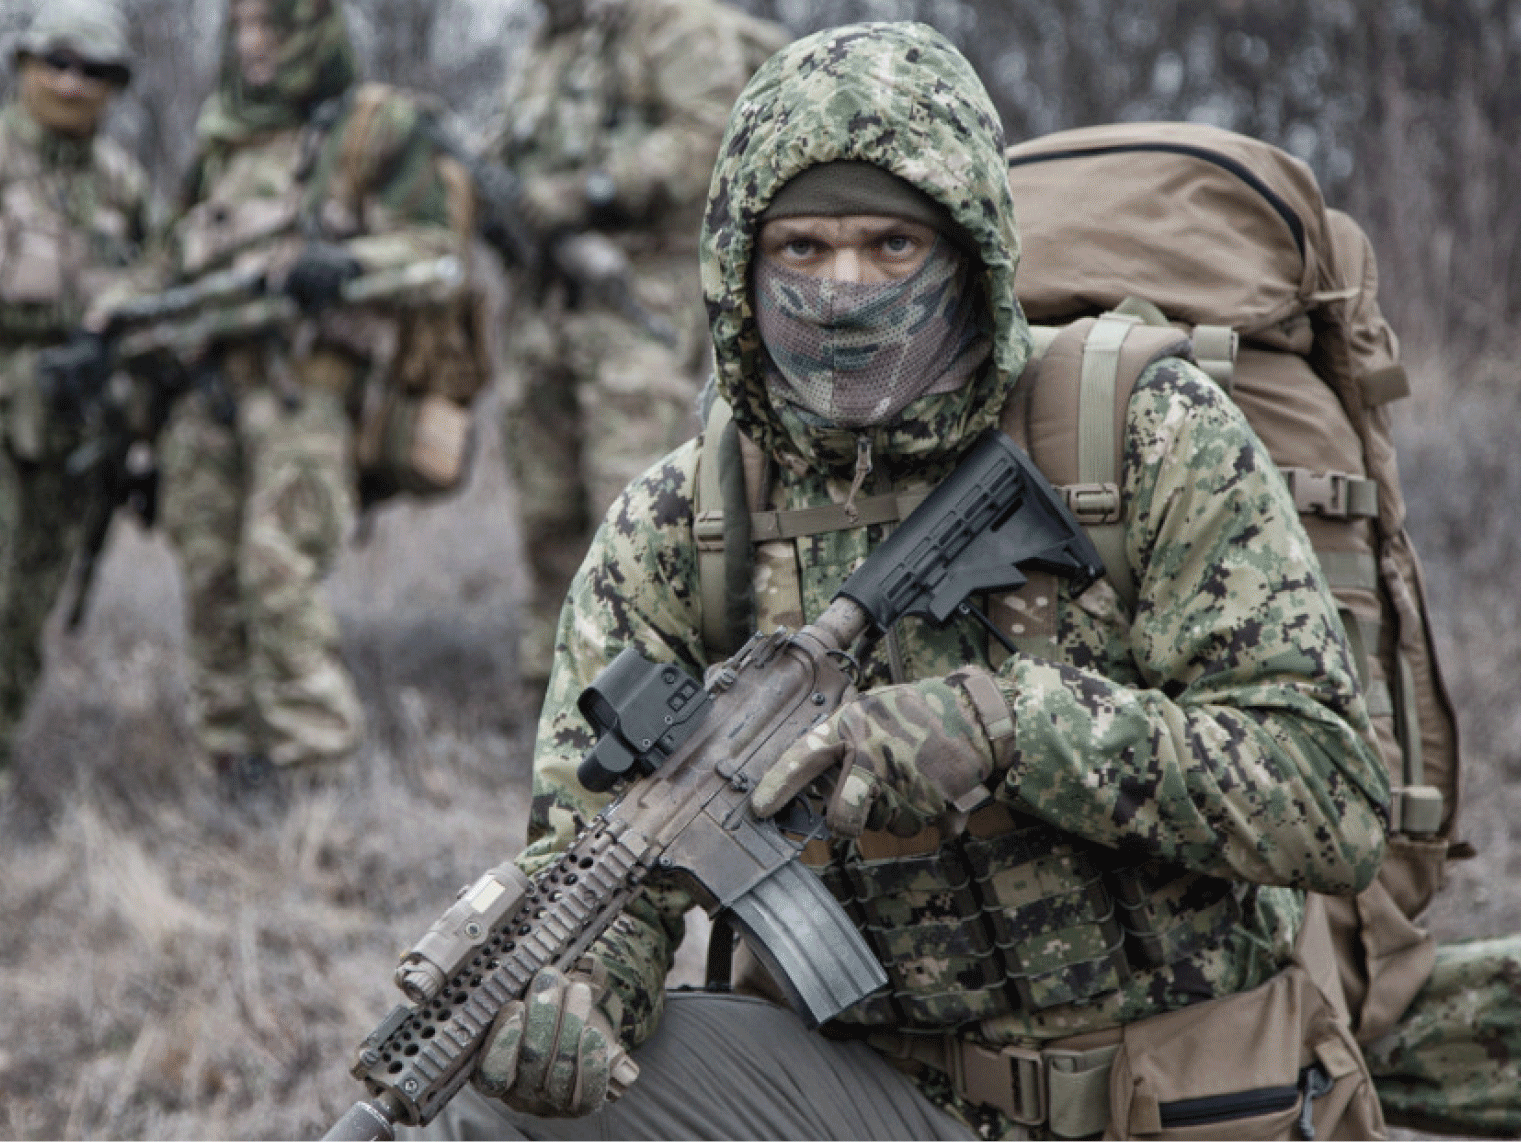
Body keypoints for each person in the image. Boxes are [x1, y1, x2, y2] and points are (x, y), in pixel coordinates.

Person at [422, 21, 1391, 1140]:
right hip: (880, 1096)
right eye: (800, 247)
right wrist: (585, 992)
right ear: (739, 266)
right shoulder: (682, 522)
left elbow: (1332, 800)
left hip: (1182, 1091)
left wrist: (1010, 730)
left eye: (891, 244)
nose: (842, 290)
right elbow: (605, 856)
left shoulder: (1144, 437)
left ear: (968, 251)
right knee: (495, 1109)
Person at [154, 0, 476, 796]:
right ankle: (234, 768)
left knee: (277, 570)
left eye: (273, 26)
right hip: (208, 395)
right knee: (209, 575)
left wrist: (347, 266)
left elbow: (438, 255)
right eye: (243, 27)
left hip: (308, 391)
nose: (254, 45)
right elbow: (168, 258)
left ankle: (318, 774)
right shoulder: (222, 135)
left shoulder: (369, 127)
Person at [489, 0, 787, 693]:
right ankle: (553, 704)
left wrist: (590, 190)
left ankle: (647, 707)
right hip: (544, 311)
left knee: (631, 524)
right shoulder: (547, 43)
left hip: (638, 307)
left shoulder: (672, 23)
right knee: (547, 523)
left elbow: (708, 133)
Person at [0, 0, 156, 776]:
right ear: (24, 64)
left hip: (75, 427)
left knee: (27, 610)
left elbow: (155, 287)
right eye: (56, 63)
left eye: (93, 70)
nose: (71, 83)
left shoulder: (121, 182)